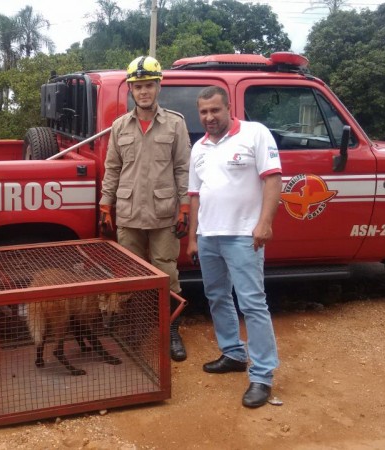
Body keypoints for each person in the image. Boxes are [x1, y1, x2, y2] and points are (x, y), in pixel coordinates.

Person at [185, 85, 282, 408]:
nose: (209, 117)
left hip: (243, 235)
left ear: (228, 108)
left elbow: (272, 178)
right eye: (203, 112)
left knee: (253, 303)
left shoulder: (255, 134)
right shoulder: (198, 148)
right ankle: (233, 353)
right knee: (217, 296)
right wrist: (192, 237)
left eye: (215, 110)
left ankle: (262, 376)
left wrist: (264, 223)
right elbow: (195, 196)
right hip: (209, 236)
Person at [99, 55, 191, 362]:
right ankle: (135, 331)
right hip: (129, 214)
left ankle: (172, 332)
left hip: (165, 214)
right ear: (130, 90)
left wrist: (185, 207)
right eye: (138, 87)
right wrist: (105, 206)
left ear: (158, 87)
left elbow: (182, 169)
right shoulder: (119, 127)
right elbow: (112, 169)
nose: (144, 92)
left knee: (167, 273)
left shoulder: (175, 124)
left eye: (149, 85)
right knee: (132, 276)